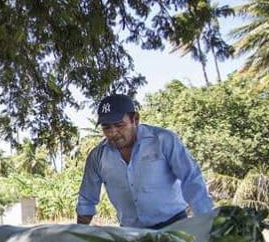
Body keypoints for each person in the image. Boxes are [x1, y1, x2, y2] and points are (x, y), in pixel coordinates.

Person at [76, 94, 213, 229]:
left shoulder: (163, 140)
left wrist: (206, 223)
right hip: (131, 235)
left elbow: (191, 179)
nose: (113, 133)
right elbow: (86, 200)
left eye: (119, 125)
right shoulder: (97, 157)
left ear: (135, 119)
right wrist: (77, 236)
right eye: (106, 127)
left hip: (174, 226)